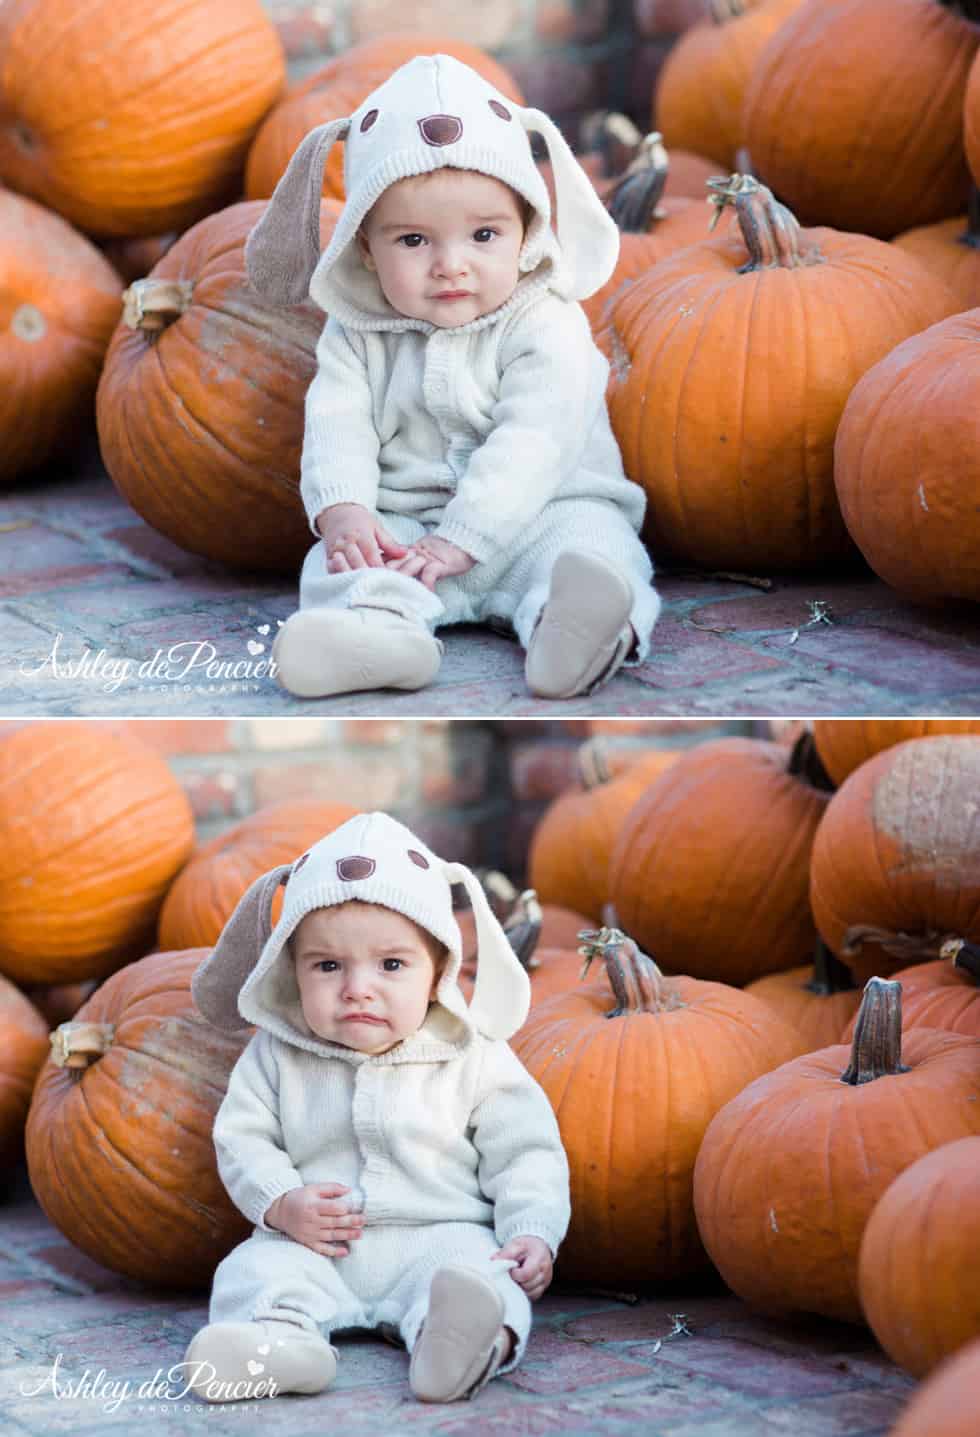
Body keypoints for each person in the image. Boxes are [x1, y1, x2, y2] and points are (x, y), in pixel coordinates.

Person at [245, 52, 660, 701]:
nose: (450, 265)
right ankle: (378, 635)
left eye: (483, 235)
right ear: (364, 245)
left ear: (526, 227)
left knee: (596, 551)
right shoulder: (357, 331)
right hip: (405, 529)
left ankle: (572, 628)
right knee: (341, 568)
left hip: (543, 514)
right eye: (413, 241)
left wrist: (465, 538)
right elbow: (336, 421)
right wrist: (345, 509)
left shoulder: (546, 324)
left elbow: (537, 440)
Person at [183, 811, 571, 1405]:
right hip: (316, 1246)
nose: (357, 987)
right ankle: (282, 1345)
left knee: (485, 1277)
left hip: (441, 1237)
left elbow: (527, 1152)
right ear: (292, 970)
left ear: (438, 969)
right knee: (252, 1271)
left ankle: (459, 1343)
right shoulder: (275, 1055)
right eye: (328, 965)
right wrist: (282, 1203)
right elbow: (242, 1138)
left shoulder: (472, 1054)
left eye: (391, 965)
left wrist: (531, 1232)